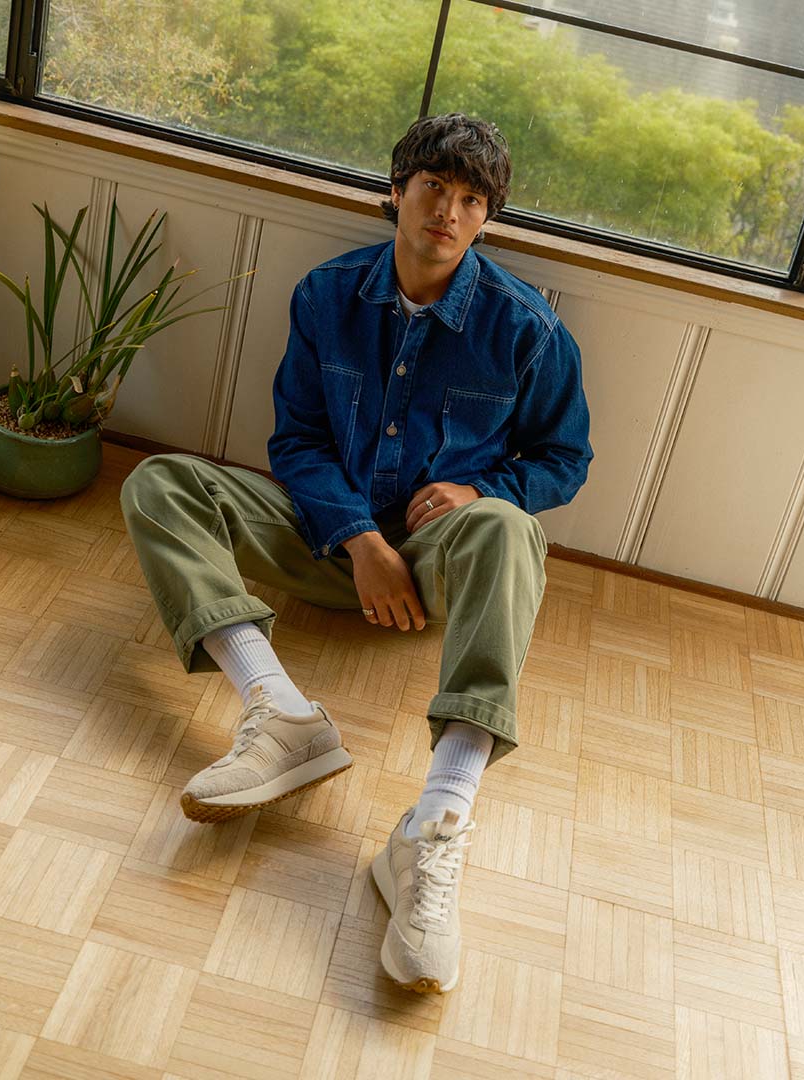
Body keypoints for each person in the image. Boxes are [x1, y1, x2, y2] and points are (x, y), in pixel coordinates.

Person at [119, 113, 592, 994]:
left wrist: (483, 493)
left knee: (511, 526)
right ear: (396, 191)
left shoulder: (527, 329)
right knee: (159, 483)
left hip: (445, 565)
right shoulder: (326, 295)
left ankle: (436, 823)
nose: (447, 212)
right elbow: (295, 440)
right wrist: (360, 539)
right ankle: (281, 713)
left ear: (487, 218)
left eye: (470, 200)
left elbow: (565, 460)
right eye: (432, 190)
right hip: (322, 540)